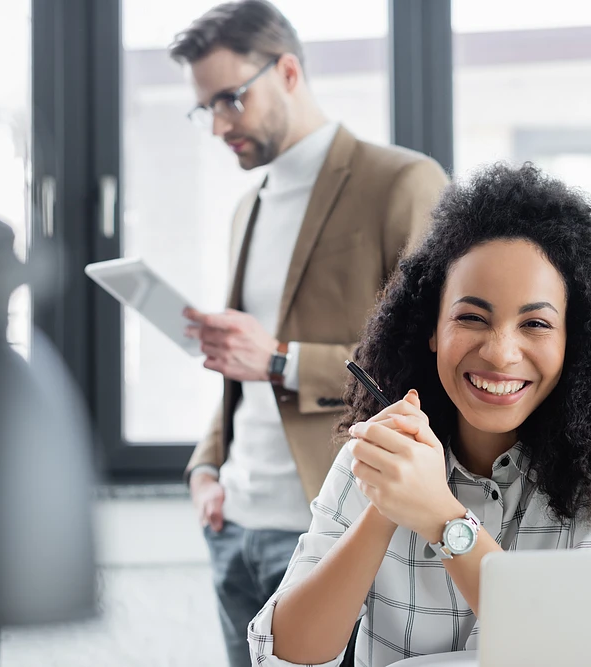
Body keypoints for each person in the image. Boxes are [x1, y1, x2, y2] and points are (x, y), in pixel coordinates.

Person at [245, 163, 591, 667]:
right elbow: (284, 656)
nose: (499, 353)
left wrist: (441, 517)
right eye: (472, 318)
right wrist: (389, 503)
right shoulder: (377, 458)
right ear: (432, 328)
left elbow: (574, 652)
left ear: (570, 341)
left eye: (535, 323)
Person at [168, 3, 449, 666]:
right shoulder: (248, 207)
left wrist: (278, 358)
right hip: (234, 522)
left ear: (288, 71)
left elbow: (433, 362)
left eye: (229, 100)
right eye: (203, 108)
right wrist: (205, 467)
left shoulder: (401, 182)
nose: (217, 125)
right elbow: (242, 368)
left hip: (330, 523)